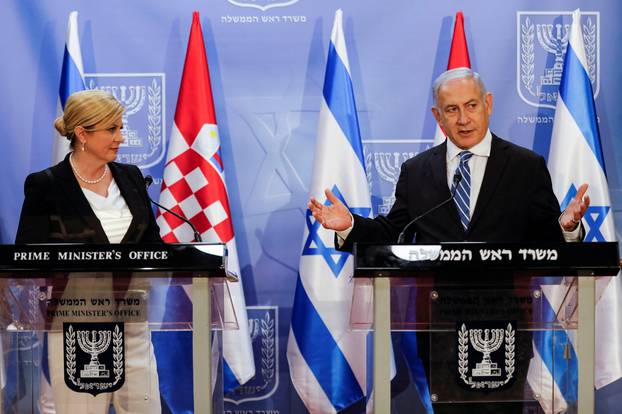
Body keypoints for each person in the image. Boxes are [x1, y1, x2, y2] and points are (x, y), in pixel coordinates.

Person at [308, 68, 589, 413]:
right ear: (437, 117)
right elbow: (393, 231)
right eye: (452, 109)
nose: (464, 118)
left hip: (507, 323)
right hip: (441, 327)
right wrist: (349, 224)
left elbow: (546, 240)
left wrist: (566, 226)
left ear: (488, 104)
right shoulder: (417, 171)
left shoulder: (525, 166)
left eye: (471, 105)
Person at [15, 89, 161, 413]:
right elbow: (26, 256)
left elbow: (152, 244)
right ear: (82, 133)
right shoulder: (46, 185)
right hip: (76, 320)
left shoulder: (132, 178)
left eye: (121, 128)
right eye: (112, 129)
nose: (120, 138)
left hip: (132, 320)